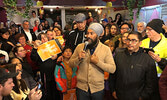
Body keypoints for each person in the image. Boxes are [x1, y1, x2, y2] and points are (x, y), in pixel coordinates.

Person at [69, 23, 116, 100]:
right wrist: (78, 58)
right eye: (87, 33)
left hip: (97, 90)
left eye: (92, 33)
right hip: (81, 89)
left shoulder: (105, 49)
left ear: (98, 36)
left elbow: (112, 69)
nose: (88, 36)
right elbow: (70, 64)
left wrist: (98, 62)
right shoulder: (80, 47)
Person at [110, 31, 159, 100]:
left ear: (140, 43)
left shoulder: (147, 59)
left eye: (134, 40)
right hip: (120, 95)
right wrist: (113, 90)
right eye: (128, 40)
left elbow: (151, 82)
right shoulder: (118, 55)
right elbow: (112, 75)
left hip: (137, 96)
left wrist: (143, 96)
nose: (130, 43)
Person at [30, 33, 60, 100]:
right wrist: (35, 47)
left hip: (55, 72)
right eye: (42, 38)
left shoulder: (53, 45)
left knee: (56, 89)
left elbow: (61, 53)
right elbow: (33, 58)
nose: (44, 39)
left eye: (45, 37)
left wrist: (57, 56)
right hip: (45, 73)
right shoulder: (37, 48)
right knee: (47, 90)